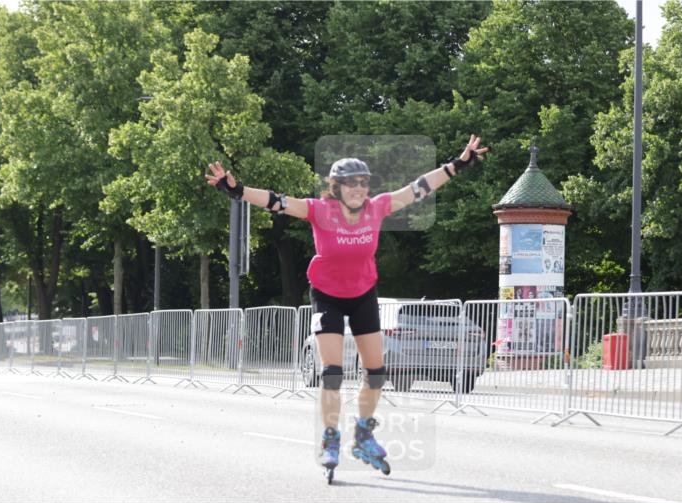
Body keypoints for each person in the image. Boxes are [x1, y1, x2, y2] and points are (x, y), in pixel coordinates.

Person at [206, 136, 489, 481]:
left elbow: (418, 188)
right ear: (335, 187)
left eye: (363, 183)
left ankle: (363, 437)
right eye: (350, 183)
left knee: (376, 372)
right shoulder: (318, 210)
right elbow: (277, 202)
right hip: (326, 295)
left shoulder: (378, 207)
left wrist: (457, 165)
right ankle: (329, 440)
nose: (358, 189)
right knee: (333, 373)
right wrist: (237, 190)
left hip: (363, 294)